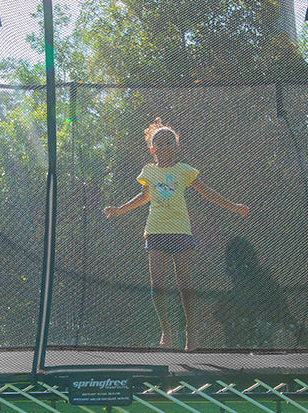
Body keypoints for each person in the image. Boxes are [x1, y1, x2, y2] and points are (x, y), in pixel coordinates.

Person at [104, 118, 248, 351]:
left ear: (176, 146)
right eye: (158, 144)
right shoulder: (148, 172)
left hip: (180, 230)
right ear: (152, 150)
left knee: (184, 281)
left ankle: (191, 331)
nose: (163, 147)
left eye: (168, 142)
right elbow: (144, 196)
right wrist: (119, 210)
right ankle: (166, 331)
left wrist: (233, 206)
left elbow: (206, 192)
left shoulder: (184, 171)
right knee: (157, 284)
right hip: (155, 230)